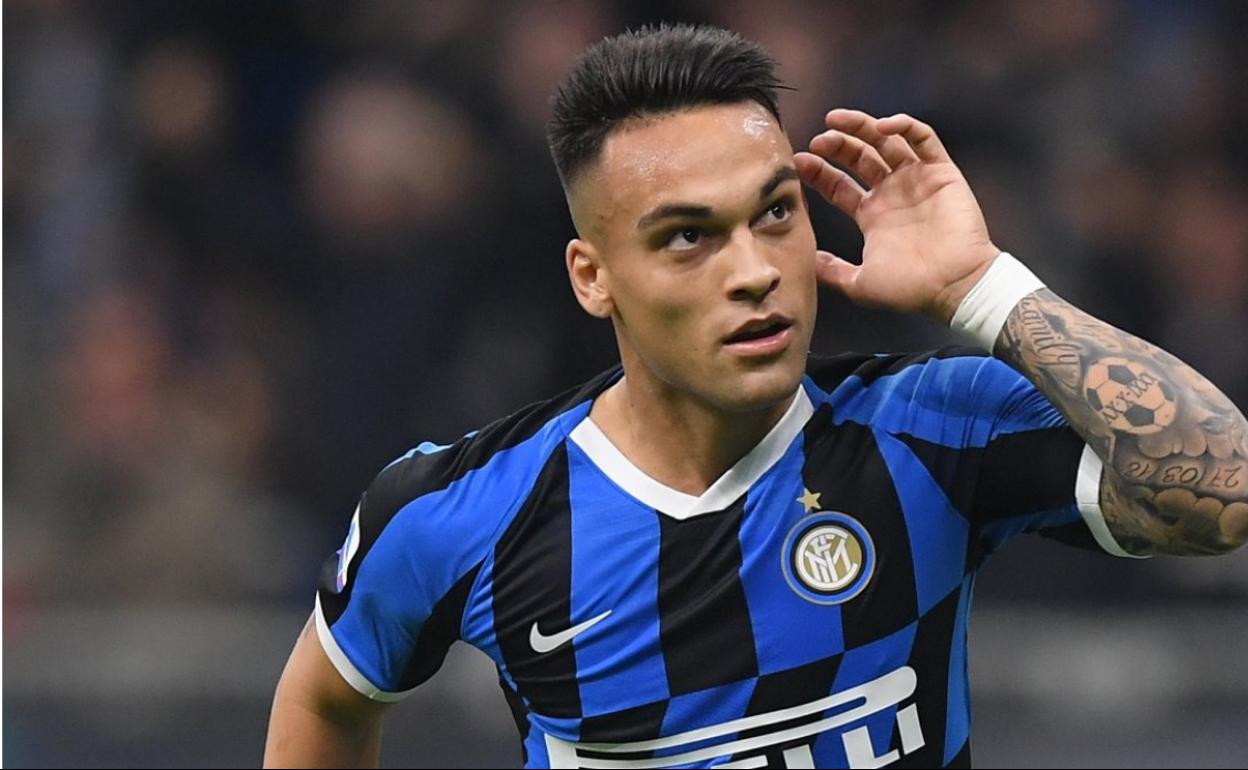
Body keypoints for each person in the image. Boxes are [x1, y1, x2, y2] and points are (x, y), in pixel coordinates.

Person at [263, 24, 1247, 769]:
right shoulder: (461, 511)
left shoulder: (932, 430)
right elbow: (326, 699)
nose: (755, 271)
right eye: (688, 236)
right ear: (593, 276)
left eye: (776, 213)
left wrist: (983, 289)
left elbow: (1226, 489)